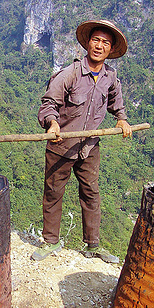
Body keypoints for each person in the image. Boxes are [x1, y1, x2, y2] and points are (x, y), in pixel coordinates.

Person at [31, 20, 132, 263]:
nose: (99, 46)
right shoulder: (69, 74)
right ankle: (50, 242)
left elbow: (116, 103)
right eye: (96, 40)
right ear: (87, 43)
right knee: (54, 193)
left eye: (105, 43)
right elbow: (48, 104)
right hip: (61, 146)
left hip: (89, 147)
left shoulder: (110, 77)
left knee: (91, 194)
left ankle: (92, 245)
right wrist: (52, 123)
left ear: (110, 50)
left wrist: (122, 119)